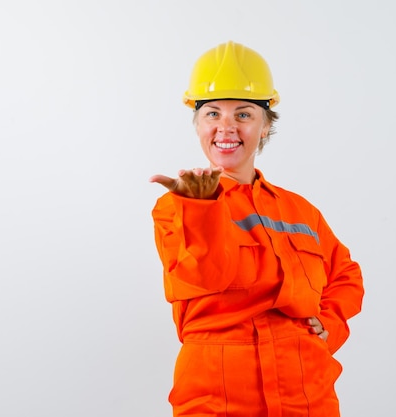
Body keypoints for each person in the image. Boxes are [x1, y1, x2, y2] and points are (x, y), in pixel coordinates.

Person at [149, 41, 364, 417]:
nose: (226, 127)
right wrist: (201, 209)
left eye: (244, 114)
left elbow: (345, 274)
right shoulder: (177, 207)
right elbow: (204, 276)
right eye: (212, 113)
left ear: (265, 127)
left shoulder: (300, 210)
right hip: (218, 393)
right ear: (197, 125)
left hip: (306, 391)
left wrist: (329, 324)